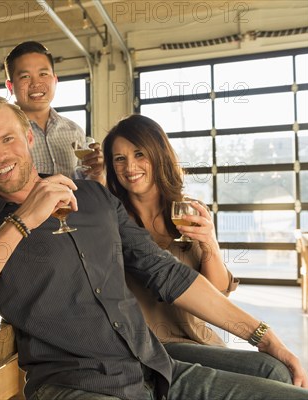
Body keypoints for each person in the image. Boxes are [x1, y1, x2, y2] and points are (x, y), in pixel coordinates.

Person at [0, 95, 308, 400]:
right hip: (77, 386)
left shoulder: (95, 198)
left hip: (154, 368)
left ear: (28, 138)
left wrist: (262, 335)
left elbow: (167, 273)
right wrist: (22, 221)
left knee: (282, 379)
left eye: (6, 139)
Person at [102, 114, 292, 382]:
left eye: (139, 154)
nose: (130, 166)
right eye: (119, 158)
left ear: (159, 155)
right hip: (153, 345)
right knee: (269, 373)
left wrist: (210, 244)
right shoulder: (112, 221)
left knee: (274, 370)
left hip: (199, 339)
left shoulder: (187, 211)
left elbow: (217, 294)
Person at [0, 41, 105, 214]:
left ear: (55, 80)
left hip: (72, 228)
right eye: (25, 76)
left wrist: (96, 173)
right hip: (21, 232)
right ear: (10, 86)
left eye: (43, 74)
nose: (36, 83)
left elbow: (82, 188)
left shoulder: (74, 131)